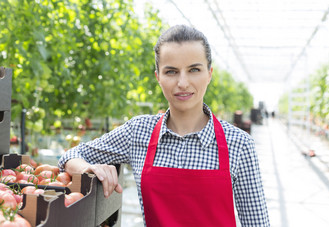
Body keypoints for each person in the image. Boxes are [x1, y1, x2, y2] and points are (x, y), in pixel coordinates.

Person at [58, 25, 270, 226]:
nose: (183, 83)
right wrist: (90, 169)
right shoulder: (138, 132)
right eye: (171, 72)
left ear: (209, 74)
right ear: (158, 76)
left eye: (194, 70)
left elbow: (257, 223)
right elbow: (69, 156)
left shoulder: (239, 144)